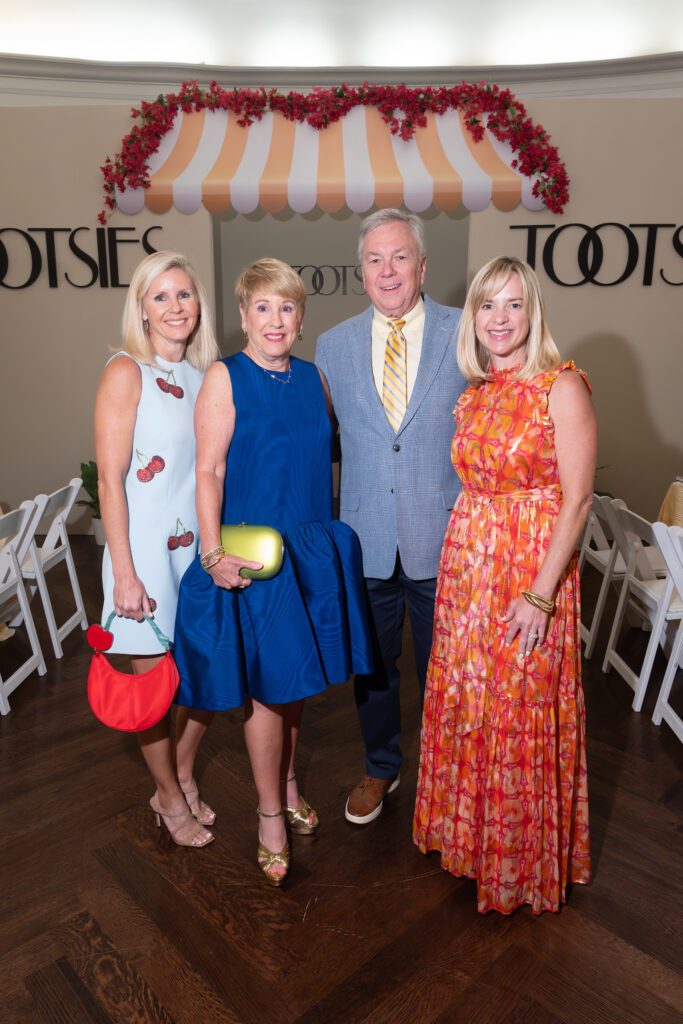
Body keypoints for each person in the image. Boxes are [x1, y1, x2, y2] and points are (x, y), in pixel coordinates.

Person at [173, 258, 372, 886]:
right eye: (263, 307)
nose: (276, 319)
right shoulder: (224, 377)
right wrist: (211, 552)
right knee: (268, 687)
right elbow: (208, 472)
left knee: (299, 682)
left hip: (309, 548)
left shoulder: (315, 379)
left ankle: (287, 784)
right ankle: (267, 815)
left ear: (301, 315)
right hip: (258, 559)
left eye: (287, 307)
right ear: (242, 316)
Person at [413, 256, 596, 915]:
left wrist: (541, 593)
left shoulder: (560, 386)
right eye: (486, 305)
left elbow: (575, 501)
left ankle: (519, 865)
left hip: (529, 573)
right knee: (469, 702)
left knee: (518, 709)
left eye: (512, 305)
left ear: (531, 312)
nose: (498, 318)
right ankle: (469, 845)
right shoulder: (474, 394)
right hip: (468, 571)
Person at [315, 210, 466, 824]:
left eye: (400, 256)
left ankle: (447, 770)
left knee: (448, 667)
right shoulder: (332, 345)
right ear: (361, 271)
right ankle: (382, 767)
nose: (388, 270)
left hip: (447, 535)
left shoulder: (466, 333)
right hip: (366, 538)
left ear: (423, 266)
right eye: (375, 259)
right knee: (373, 668)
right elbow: (319, 441)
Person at [95, 251, 220, 848]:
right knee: (153, 690)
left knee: (206, 676)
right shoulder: (127, 372)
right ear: (141, 310)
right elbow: (109, 479)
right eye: (161, 297)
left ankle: (183, 774)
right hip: (142, 553)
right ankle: (170, 799)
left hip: (194, 550)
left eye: (184, 295)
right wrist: (123, 571)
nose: (175, 307)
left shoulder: (204, 375)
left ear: (199, 305)